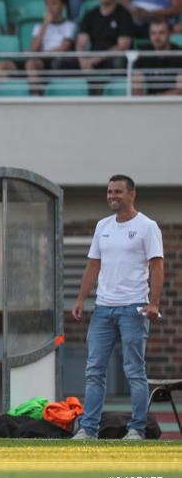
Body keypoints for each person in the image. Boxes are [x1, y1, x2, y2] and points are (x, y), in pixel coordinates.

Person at [71, 175, 163, 441]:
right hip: (102, 309)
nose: (112, 196)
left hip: (134, 308)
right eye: (109, 191)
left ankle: (137, 428)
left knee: (134, 370)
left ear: (131, 194)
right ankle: (88, 429)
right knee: (94, 370)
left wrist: (154, 302)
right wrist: (80, 299)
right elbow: (92, 265)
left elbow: (157, 266)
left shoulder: (147, 226)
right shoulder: (103, 226)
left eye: (118, 192)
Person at [65, 0, 133, 83]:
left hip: (110, 58)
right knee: (61, 61)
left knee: (118, 61)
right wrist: (83, 61)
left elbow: (123, 45)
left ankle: (117, 96)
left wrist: (94, 60)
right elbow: (81, 43)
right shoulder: (90, 14)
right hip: (92, 57)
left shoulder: (124, 15)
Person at [25, 0, 77, 94]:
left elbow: (63, 48)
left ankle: (36, 97)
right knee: (3, 66)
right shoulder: (39, 27)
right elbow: (34, 48)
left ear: (62, 5)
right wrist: (45, 25)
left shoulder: (70, 25)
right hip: (40, 60)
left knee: (31, 64)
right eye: (47, 4)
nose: (50, 8)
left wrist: (40, 54)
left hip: (57, 60)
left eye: (54, 4)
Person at [132, 19, 182, 96]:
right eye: (153, 33)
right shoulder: (143, 54)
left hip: (174, 103)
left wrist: (156, 98)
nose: (157, 37)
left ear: (169, 34)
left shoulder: (179, 54)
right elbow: (136, 89)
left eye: (161, 33)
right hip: (150, 104)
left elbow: (180, 90)